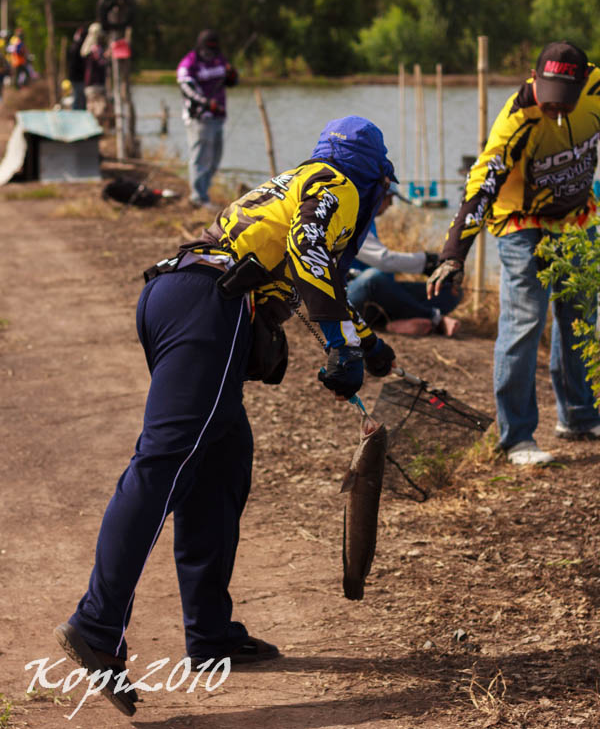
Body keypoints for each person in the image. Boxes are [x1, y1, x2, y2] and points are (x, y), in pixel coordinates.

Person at [54, 115, 398, 716]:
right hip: (207, 310)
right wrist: (341, 350)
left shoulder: (298, 180)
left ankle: (210, 634)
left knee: (222, 460)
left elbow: (318, 273)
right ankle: (96, 625)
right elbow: (311, 250)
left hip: (180, 291)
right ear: (372, 175)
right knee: (162, 464)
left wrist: (364, 341)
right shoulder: (340, 183)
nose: (386, 202)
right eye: (387, 191)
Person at [427, 41, 600, 466]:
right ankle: (517, 437)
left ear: (581, 84)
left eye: (564, 101)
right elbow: (480, 190)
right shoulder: (515, 121)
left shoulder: (596, 88)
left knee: (580, 314)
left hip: (577, 219)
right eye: (548, 97)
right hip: (523, 224)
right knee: (525, 322)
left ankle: (578, 416)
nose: (555, 109)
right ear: (535, 79)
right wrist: (454, 254)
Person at [347, 183, 461, 337]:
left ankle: (392, 322)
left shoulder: (368, 220)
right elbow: (383, 260)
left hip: (380, 295)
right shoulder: (352, 218)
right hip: (351, 295)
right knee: (372, 278)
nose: (391, 205)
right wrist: (427, 263)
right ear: (375, 196)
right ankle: (434, 319)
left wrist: (432, 267)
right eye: (389, 199)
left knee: (450, 292)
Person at [177, 30, 238, 209]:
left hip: (218, 118)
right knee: (200, 158)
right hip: (199, 118)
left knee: (214, 160)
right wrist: (206, 104)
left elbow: (232, 82)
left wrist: (232, 75)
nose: (211, 52)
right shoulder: (189, 63)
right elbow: (186, 88)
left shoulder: (220, 59)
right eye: (208, 48)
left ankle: (204, 193)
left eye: (214, 48)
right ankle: (198, 198)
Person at [81, 22, 109, 121]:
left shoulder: (87, 48)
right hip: (96, 83)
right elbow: (101, 63)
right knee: (99, 110)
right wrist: (108, 55)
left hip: (89, 84)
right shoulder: (95, 49)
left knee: (91, 109)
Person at [67, 25, 88, 110]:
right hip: (77, 77)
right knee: (79, 98)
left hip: (75, 76)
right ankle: (76, 115)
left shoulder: (74, 45)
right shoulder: (79, 47)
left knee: (78, 97)